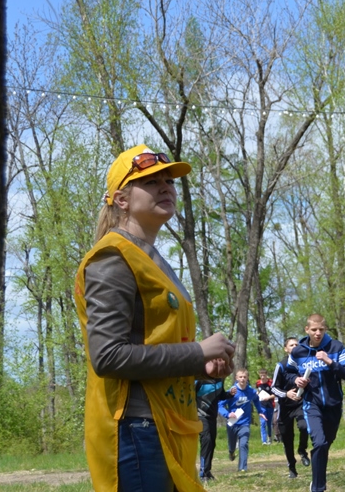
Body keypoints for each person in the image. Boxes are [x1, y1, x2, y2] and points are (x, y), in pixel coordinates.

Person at [74, 145, 235, 492]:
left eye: (169, 180)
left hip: (167, 426)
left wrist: (200, 368)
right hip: (136, 430)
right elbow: (109, 356)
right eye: (150, 181)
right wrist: (198, 351)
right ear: (122, 199)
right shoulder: (112, 258)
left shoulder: (152, 258)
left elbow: (151, 346)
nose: (166, 187)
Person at [286, 313, 345, 492]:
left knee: (325, 444)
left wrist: (329, 361)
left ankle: (317, 474)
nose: (318, 333)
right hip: (312, 404)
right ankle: (318, 487)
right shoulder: (298, 351)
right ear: (307, 330)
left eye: (321, 330)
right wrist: (296, 380)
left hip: (333, 405)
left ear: (325, 329)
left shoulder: (336, 347)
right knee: (319, 443)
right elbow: (287, 373)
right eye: (314, 330)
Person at [271, 337, 311, 479]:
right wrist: (286, 394)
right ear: (285, 349)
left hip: (300, 403)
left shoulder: (304, 363)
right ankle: (292, 467)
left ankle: (302, 450)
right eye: (291, 345)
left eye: (297, 345)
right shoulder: (281, 365)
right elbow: (273, 388)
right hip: (285, 407)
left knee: (304, 426)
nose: (294, 347)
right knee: (287, 439)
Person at [218, 369, 266, 473]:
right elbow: (220, 405)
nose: (242, 379)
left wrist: (260, 411)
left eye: (244, 377)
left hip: (245, 422)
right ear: (236, 378)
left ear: (247, 378)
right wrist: (227, 414)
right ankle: (231, 452)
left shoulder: (251, 391)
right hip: (232, 423)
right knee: (232, 445)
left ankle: (242, 467)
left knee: (243, 444)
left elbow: (256, 400)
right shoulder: (232, 391)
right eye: (240, 377)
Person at [195, 376, 226, 482]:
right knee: (206, 441)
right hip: (200, 415)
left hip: (212, 417)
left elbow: (221, 395)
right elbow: (189, 395)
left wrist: (230, 394)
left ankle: (207, 471)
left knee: (212, 443)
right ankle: (202, 473)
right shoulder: (199, 379)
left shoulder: (220, 379)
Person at [255, 368, 275, 445]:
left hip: (270, 405)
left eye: (264, 375)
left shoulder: (271, 383)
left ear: (266, 375)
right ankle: (264, 440)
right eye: (261, 375)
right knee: (263, 423)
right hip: (261, 405)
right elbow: (258, 391)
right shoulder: (258, 383)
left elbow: (275, 394)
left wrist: (268, 397)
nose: (262, 377)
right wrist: (257, 394)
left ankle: (270, 437)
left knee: (269, 423)